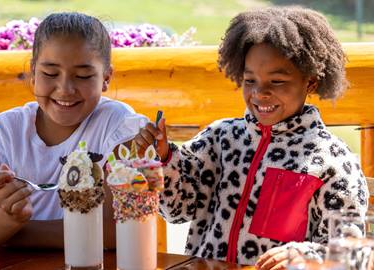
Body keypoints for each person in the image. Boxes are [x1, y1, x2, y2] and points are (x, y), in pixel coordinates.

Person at [134, 6, 368, 269]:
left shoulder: (332, 161)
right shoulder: (220, 138)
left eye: (277, 81)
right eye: (249, 80)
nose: (260, 93)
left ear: (310, 82)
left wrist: (305, 257)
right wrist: (165, 157)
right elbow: (178, 211)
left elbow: (351, 255)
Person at [0, 12, 147, 251]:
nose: (65, 89)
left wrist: (13, 231)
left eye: (83, 76)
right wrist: (9, 216)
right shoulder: (9, 129)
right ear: (33, 73)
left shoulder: (119, 126)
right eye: (50, 74)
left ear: (106, 78)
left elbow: (113, 232)